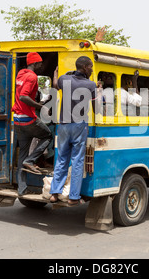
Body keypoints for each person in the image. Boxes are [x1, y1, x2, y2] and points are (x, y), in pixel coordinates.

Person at [49, 56, 101, 206]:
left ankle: (54, 193)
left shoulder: (64, 79)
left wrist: (55, 74)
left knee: (61, 159)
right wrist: (97, 91)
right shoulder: (90, 85)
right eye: (90, 67)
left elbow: (54, 84)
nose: (92, 69)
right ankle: (73, 196)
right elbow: (96, 109)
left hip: (63, 125)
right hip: (79, 125)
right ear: (85, 68)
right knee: (77, 161)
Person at [13, 52, 53, 196]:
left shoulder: (20, 75)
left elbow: (22, 96)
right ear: (35, 63)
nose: (42, 66)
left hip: (17, 118)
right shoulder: (31, 76)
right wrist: (40, 107)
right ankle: (31, 160)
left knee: (22, 155)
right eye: (40, 63)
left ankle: (22, 189)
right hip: (27, 118)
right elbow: (23, 97)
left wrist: (41, 102)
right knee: (48, 135)